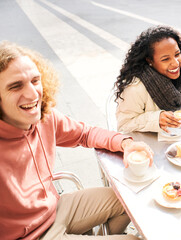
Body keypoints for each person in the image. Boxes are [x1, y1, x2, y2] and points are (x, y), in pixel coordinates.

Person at [0, 41, 154, 240]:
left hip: (56, 209)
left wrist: (126, 144)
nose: (32, 93)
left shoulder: (45, 117)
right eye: (15, 86)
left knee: (130, 199)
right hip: (30, 236)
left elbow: (85, 133)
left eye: (35, 80)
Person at [114, 26, 181, 134]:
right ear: (150, 61)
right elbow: (124, 126)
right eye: (165, 59)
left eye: (177, 54)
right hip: (148, 147)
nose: (175, 63)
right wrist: (155, 119)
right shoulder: (135, 88)